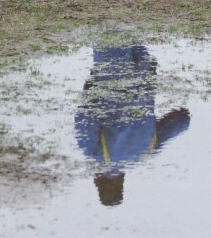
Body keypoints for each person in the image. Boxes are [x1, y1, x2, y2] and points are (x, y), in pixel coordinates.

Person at [74, 44, 191, 206]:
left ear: (122, 181)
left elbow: (182, 122)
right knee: (109, 29)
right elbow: (85, 114)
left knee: (131, 26)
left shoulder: (146, 151)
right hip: (111, 70)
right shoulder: (94, 152)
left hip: (144, 69)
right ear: (97, 180)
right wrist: (91, 84)